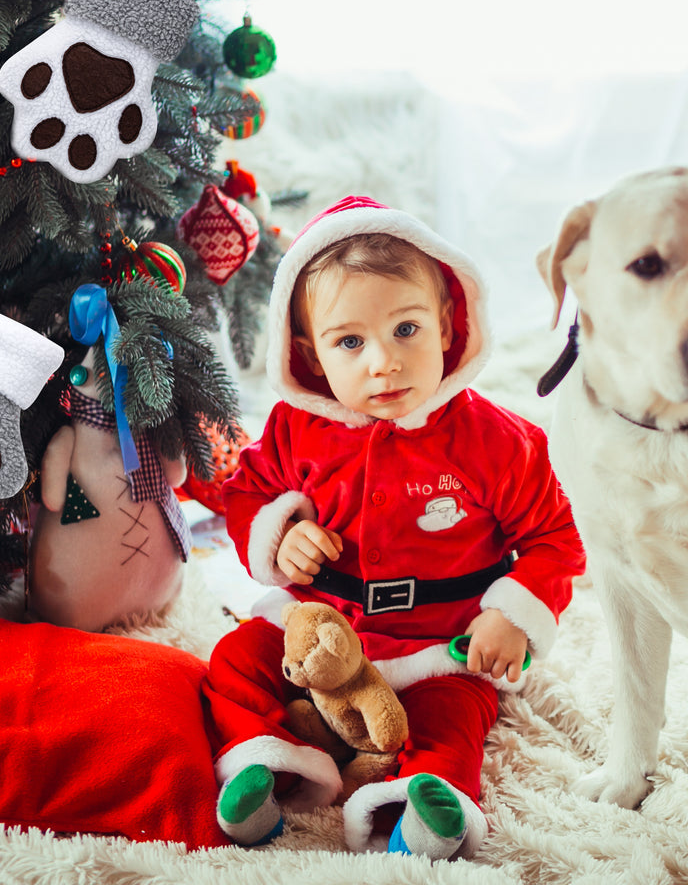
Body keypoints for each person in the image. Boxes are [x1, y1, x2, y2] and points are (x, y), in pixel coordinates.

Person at [202, 196, 585, 860]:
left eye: (405, 330)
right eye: (350, 342)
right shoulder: (298, 429)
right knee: (236, 661)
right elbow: (248, 493)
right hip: (322, 623)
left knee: (452, 717)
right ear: (310, 355)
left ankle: (423, 806)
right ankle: (267, 765)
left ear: (446, 325)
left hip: (439, 642)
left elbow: (556, 539)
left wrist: (512, 616)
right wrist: (279, 534)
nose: (383, 361)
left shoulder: (497, 441)